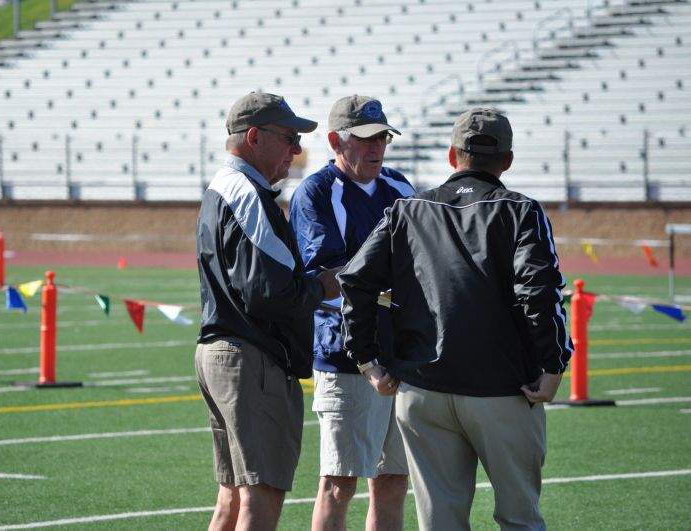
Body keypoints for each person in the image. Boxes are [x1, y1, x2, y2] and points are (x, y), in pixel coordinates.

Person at [338, 107, 574, 530]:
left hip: (422, 389)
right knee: (520, 518)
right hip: (503, 389)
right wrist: (554, 364)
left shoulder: (406, 210)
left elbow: (354, 280)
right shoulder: (521, 211)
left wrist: (368, 360)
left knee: (440, 523)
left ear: (452, 155)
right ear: (508, 160)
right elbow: (539, 292)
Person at [195, 92, 341, 530]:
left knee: (232, 500)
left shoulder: (224, 188)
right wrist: (321, 286)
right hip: (250, 358)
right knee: (262, 496)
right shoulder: (248, 196)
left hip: (223, 351)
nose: (297, 150)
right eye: (289, 138)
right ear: (254, 137)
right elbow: (267, 292)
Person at [288, 95, 414, 531]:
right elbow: (328, 275)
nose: (376, 146)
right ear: (336, 141)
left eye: (382, 137)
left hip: (400, 353)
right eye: (364, 139)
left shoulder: (401, 188)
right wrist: (392, 282)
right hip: (344, 356)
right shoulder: (317, 192)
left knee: (394, 480)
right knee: (338, 483)